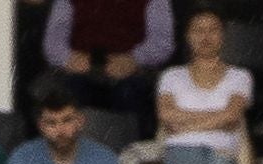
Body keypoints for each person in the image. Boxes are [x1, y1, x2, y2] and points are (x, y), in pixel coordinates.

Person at [154, 8, 253, 164]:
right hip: (179, 148)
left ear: (223, 35)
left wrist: (186, 125)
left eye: (212, 30)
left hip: (222, 151)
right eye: (198, 30)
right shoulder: (171, 76)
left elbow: (232, 115)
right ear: (188, 36)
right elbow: (166, 114)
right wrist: (218, 118)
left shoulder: (239, 76)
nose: (205, 36)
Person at [43, 0, 173, 124]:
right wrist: (69, 58)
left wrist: (134, 59)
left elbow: (162, 44)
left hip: (133, 73)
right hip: (80, 70)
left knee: (131, 94)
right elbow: (53, 44)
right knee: (67, 95)